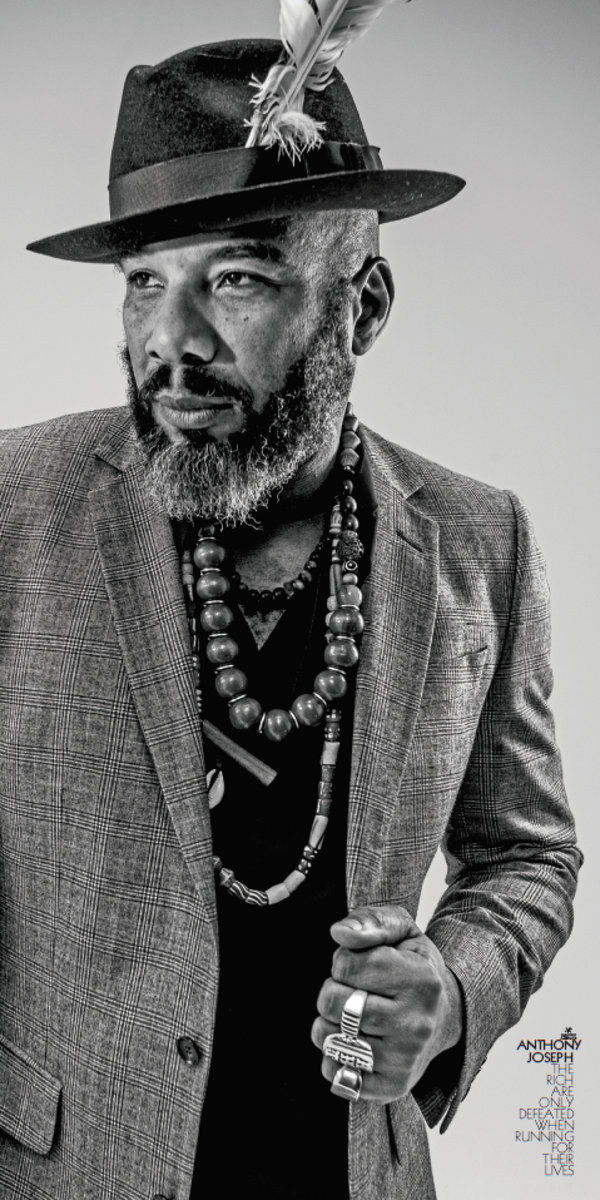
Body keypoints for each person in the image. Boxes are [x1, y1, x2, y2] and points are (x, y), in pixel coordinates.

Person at [0, 36, 581, 1200]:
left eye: (237, 279)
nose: (171, 342)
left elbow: (526, 856)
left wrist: (451, 990)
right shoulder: (11, 510)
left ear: (362, 307)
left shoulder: (482, 542)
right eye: (145, 281)